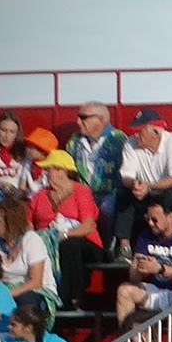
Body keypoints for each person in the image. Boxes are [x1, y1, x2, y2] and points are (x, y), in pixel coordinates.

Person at [115, 196, 172, 342]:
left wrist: (159, 268)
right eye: (147, 218)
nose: (150, 223)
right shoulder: (146, 234)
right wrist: (137, 268)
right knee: (124, 291)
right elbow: (135, 277)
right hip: (161, 291)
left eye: (154, 219)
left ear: (169, 216)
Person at [29, 150, 103, 307]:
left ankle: (71, 297)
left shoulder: (81, 191)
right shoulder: (40, 195)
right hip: (48, 244)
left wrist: (64, 235)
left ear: (62, 171)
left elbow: (88, 225)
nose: (46, 173)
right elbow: (28, 223)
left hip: (86, 243)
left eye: (49, 169)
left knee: (69, 244)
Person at [115, 109, 172, 245]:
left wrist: (148, 186)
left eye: (139, 131)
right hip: (143, 196)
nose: (135, 135)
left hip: (164, 192)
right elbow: (126, 176)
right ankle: (123, 247)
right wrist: (135, 185)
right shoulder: (130, 144)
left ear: (155, 132)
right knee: (124, 194)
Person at [70, 102, 128, 245]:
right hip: (83, 193)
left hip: (111, 192)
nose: (78, 122)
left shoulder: (118, 139)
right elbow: (69, 171)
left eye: (84, 117)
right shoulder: (74, 141)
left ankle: (108, 246)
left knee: (107, 206)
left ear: (101, 119)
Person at [0, 196, 56, 315]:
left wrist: (7, 294)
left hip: (35, 291)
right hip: (4, 291)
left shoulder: (32, 240)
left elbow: (36, 282)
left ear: (10, 223)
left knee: (25, 301)